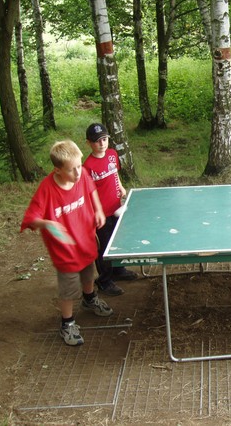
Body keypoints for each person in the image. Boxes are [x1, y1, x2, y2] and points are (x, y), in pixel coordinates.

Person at [21, 140, 114, 346]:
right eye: (72, 169)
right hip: (64, 249)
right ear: (57, 170)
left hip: (85, 240)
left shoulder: (82, 175)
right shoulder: (47, 189)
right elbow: (31, 218)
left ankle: (89, 299)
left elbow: (91, 189)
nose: (78, 172)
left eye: (79, 166)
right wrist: (47, 223)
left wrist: (98, 210)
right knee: (69, 288)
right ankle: (67, 323)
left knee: (88, 274)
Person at [83, 123, 138, 297]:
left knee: (118, 241)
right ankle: (104, 281)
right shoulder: (87, 166)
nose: (102, 144)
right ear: (89, 143)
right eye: (97, 141)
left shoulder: (112, 154)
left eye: (104, 139)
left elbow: (115, 174)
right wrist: (96, 213)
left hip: (116, 208)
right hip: (102, 215)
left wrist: (120, 186)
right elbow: (88, 193)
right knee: (105, 248)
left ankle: (118, 270)